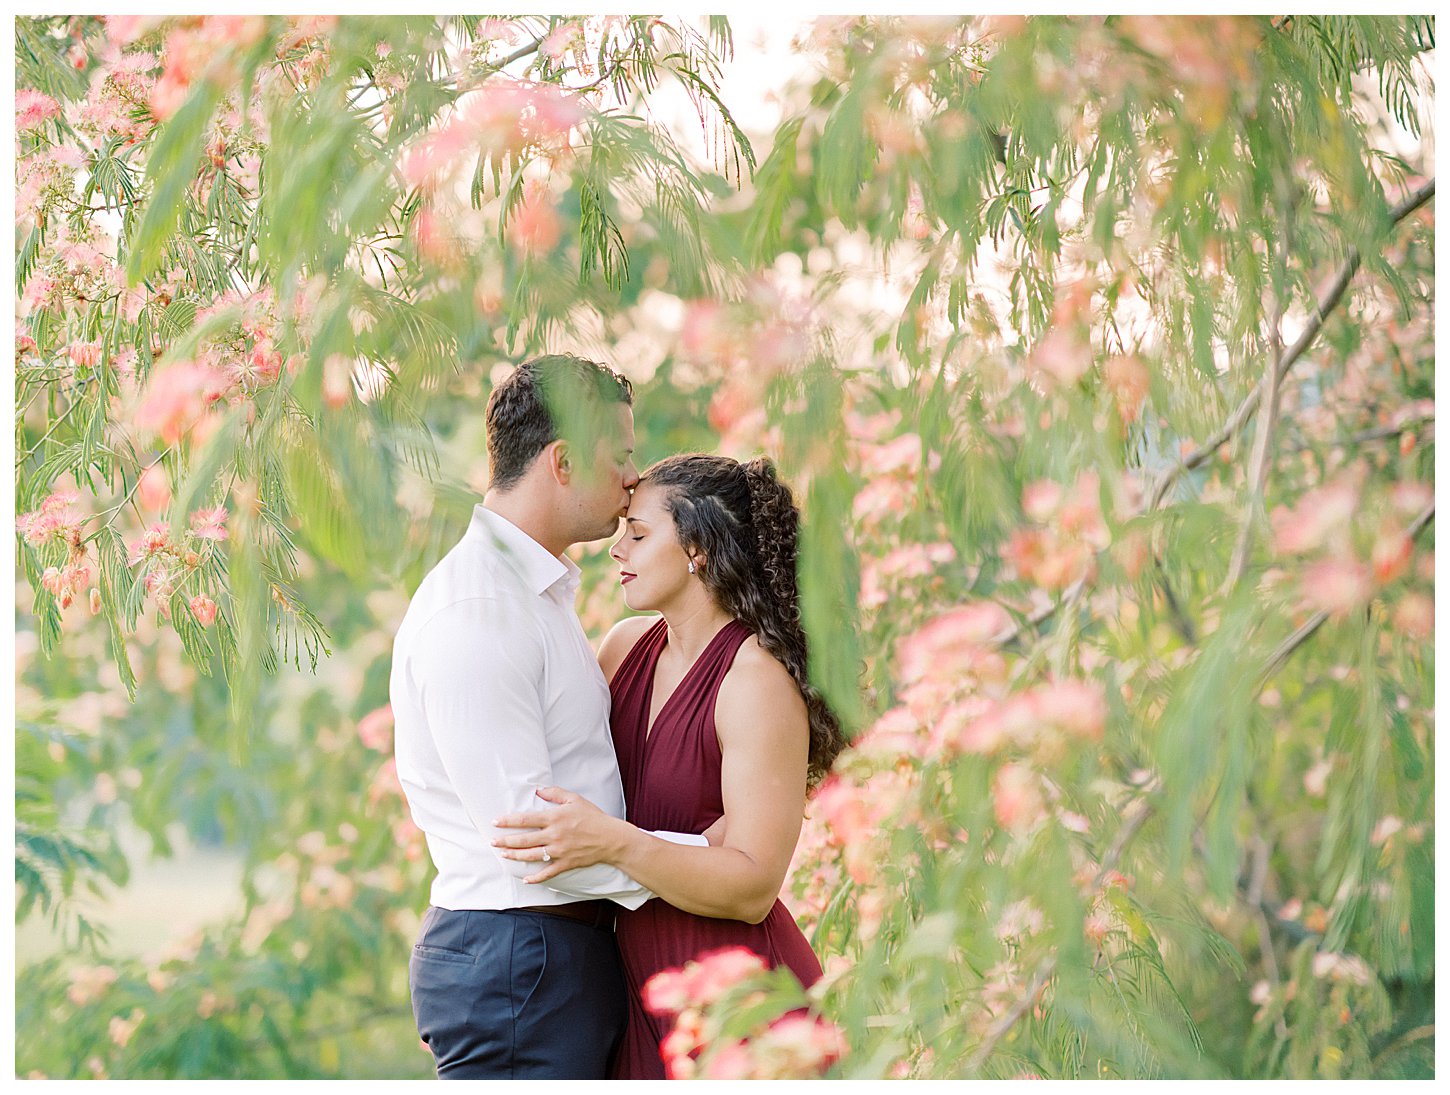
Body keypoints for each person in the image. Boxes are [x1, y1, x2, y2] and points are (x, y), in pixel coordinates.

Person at [389, 355, 713, 1080]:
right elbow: (532, 839)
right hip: (520, 961)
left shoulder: (535, 596)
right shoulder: (480, 610)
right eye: (621, 456)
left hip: (550, 955)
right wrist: (690, 861)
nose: (636, 477)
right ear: (562, 461)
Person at [493, 452, 848, 1079]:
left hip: (738, 1004)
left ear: (699, 549)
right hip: (639, 998)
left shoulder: (753, 679)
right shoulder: (621, 649)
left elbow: (752, 886)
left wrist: (617, 844)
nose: (616, 548)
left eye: (639, 532)